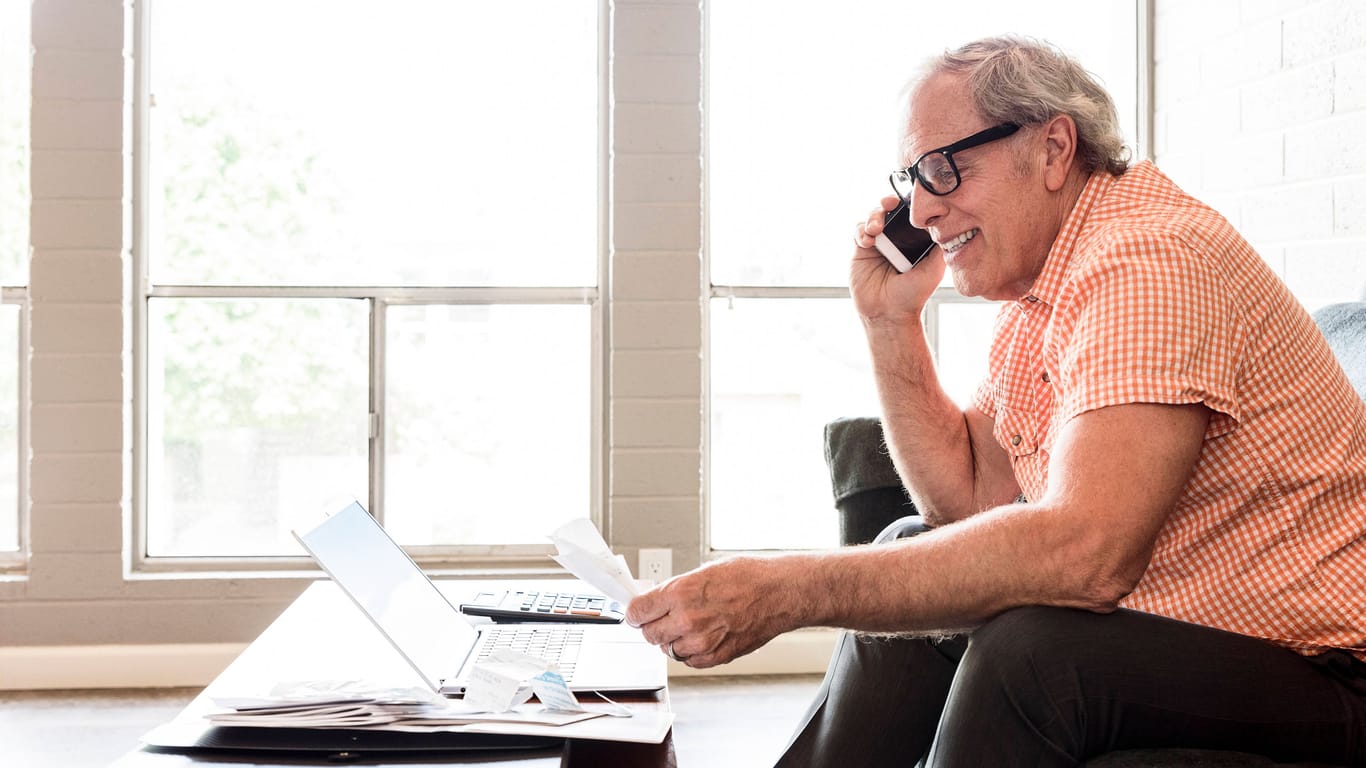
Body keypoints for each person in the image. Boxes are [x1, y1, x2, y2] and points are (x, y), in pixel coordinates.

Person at [626, 35, 1366, 766]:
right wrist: (890, 323)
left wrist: (788, 591)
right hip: (1186, 633)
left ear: (1051, 149)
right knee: (911, 545)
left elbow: (1086, 553)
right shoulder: (1043, 288)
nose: (919, 210)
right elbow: (967, 500)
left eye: (944, 168)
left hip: (1322, 667)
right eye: (912, 176)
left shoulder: (1149, 259)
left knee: (1033, 656)